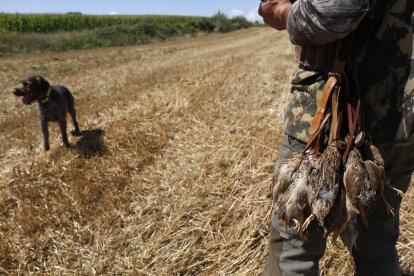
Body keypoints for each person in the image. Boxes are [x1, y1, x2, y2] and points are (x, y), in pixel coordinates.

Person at [258, 0, 414, 275]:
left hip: (328, 118)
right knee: (376, 242)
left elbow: (335, 10)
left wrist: (282, 12)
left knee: (296, 242)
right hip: (402, 116)